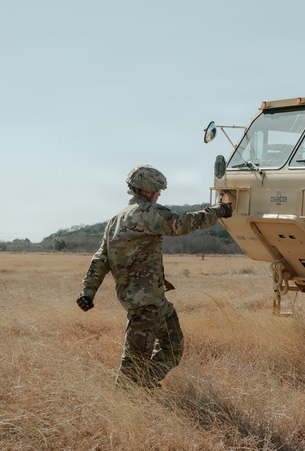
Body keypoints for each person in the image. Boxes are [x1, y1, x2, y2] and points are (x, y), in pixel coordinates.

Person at [76, 165, 232, 387]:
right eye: (158, 191)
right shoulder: (148, 212)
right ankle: (131, 397)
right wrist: (218, 211)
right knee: (134, 363)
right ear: (147, 190)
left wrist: (88, 291)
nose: (159, 195)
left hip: (153, 300)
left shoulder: (115, 220)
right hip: (144, 303)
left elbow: (101, 258)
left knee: (173, 346)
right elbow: (181, 224)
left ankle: (144, 384)